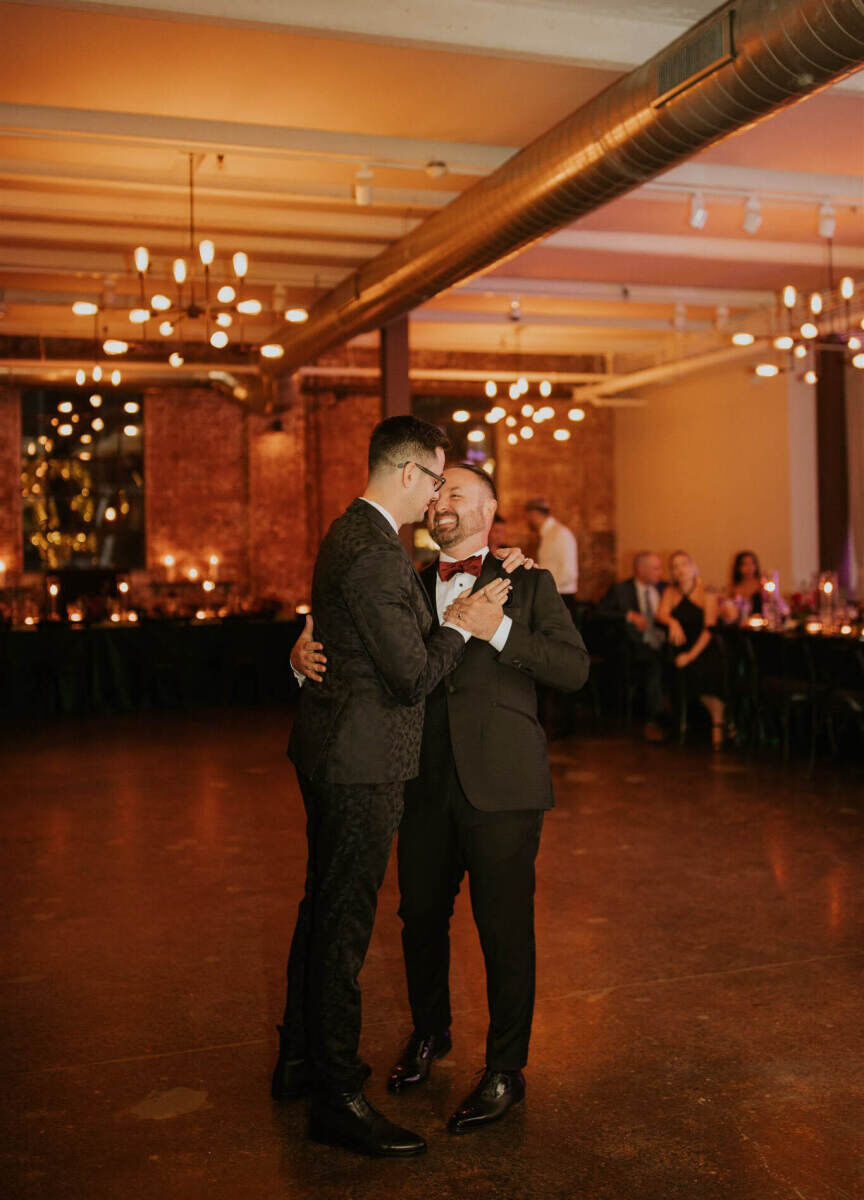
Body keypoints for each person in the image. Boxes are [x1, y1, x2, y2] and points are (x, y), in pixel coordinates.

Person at [295, 464, 590, 1135]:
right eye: (436, 494)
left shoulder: (530, 581)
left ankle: (506, 1069)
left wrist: (499, 632)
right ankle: (431, 1032)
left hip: (505, 788)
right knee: (419, 919)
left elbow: (573, 669)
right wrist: (303, 646)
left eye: (455, 491)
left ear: (489, 508)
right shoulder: (406, 582)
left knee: (504, 930)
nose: (440, 502)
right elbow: (364, 644)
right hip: (420, 783)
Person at [272, 417, 513, 1159]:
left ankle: (302, 1059)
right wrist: (467, 625)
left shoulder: (355, 535)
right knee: (343, 923)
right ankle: (338, 1098)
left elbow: (351, 641)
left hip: (336, 748)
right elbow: (410, 675)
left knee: (323, 908)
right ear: (408, 474)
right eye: (437, 480)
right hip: (361, 761)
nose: (439, 495)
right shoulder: (374, 553)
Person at [655, 550, 727, 749]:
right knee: (668, 669)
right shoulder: (670, 592)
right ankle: (676, 722)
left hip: (703, 648)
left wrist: (690, 656)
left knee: (703, 674)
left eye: (684, 564)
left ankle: (718, 722)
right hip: (680, 647)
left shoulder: (707, 592)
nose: (680, 570)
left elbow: (709, 629)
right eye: (675, 566)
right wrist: (672, 623)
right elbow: (661, 614)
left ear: (694, 567)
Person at [594, 552, 667, 741]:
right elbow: (599, 613)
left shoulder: (664, 588)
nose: (660, 572)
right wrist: (629, 616)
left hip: (662, 642)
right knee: (653, 664)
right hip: (632, 646)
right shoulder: (621, 590)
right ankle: (654, 720)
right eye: (655, 568)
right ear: (640, 570)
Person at [524, 497, 579, 615]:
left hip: (561, 598)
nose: (527, 520)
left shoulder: (560, 534)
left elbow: (568, 573)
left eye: (527, 516)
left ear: (534, 513)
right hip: (552, 596)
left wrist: (543, 590)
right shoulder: (547, 535)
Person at [723, 550, 789, 625]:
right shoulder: (734, 588)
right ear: (738, 567)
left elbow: (776, 605)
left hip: (761, 625)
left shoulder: (763, 585)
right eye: (745, 564)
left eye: (752, 563)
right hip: (740, 627)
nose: (749, 567)